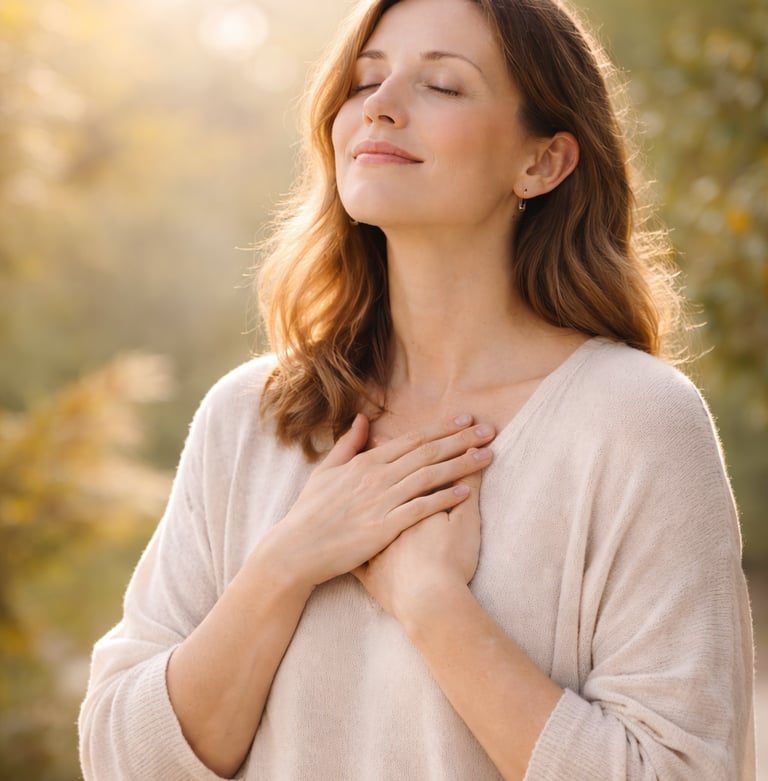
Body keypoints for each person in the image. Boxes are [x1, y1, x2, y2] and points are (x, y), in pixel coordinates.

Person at [78, 0, 755, 778]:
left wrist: (434, 602)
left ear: (543, 161)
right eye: (365, 80)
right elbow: (121, 757)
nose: (381, 107)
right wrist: (286, 562)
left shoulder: (636, 424)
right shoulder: (252, 416)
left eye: (442, 85)